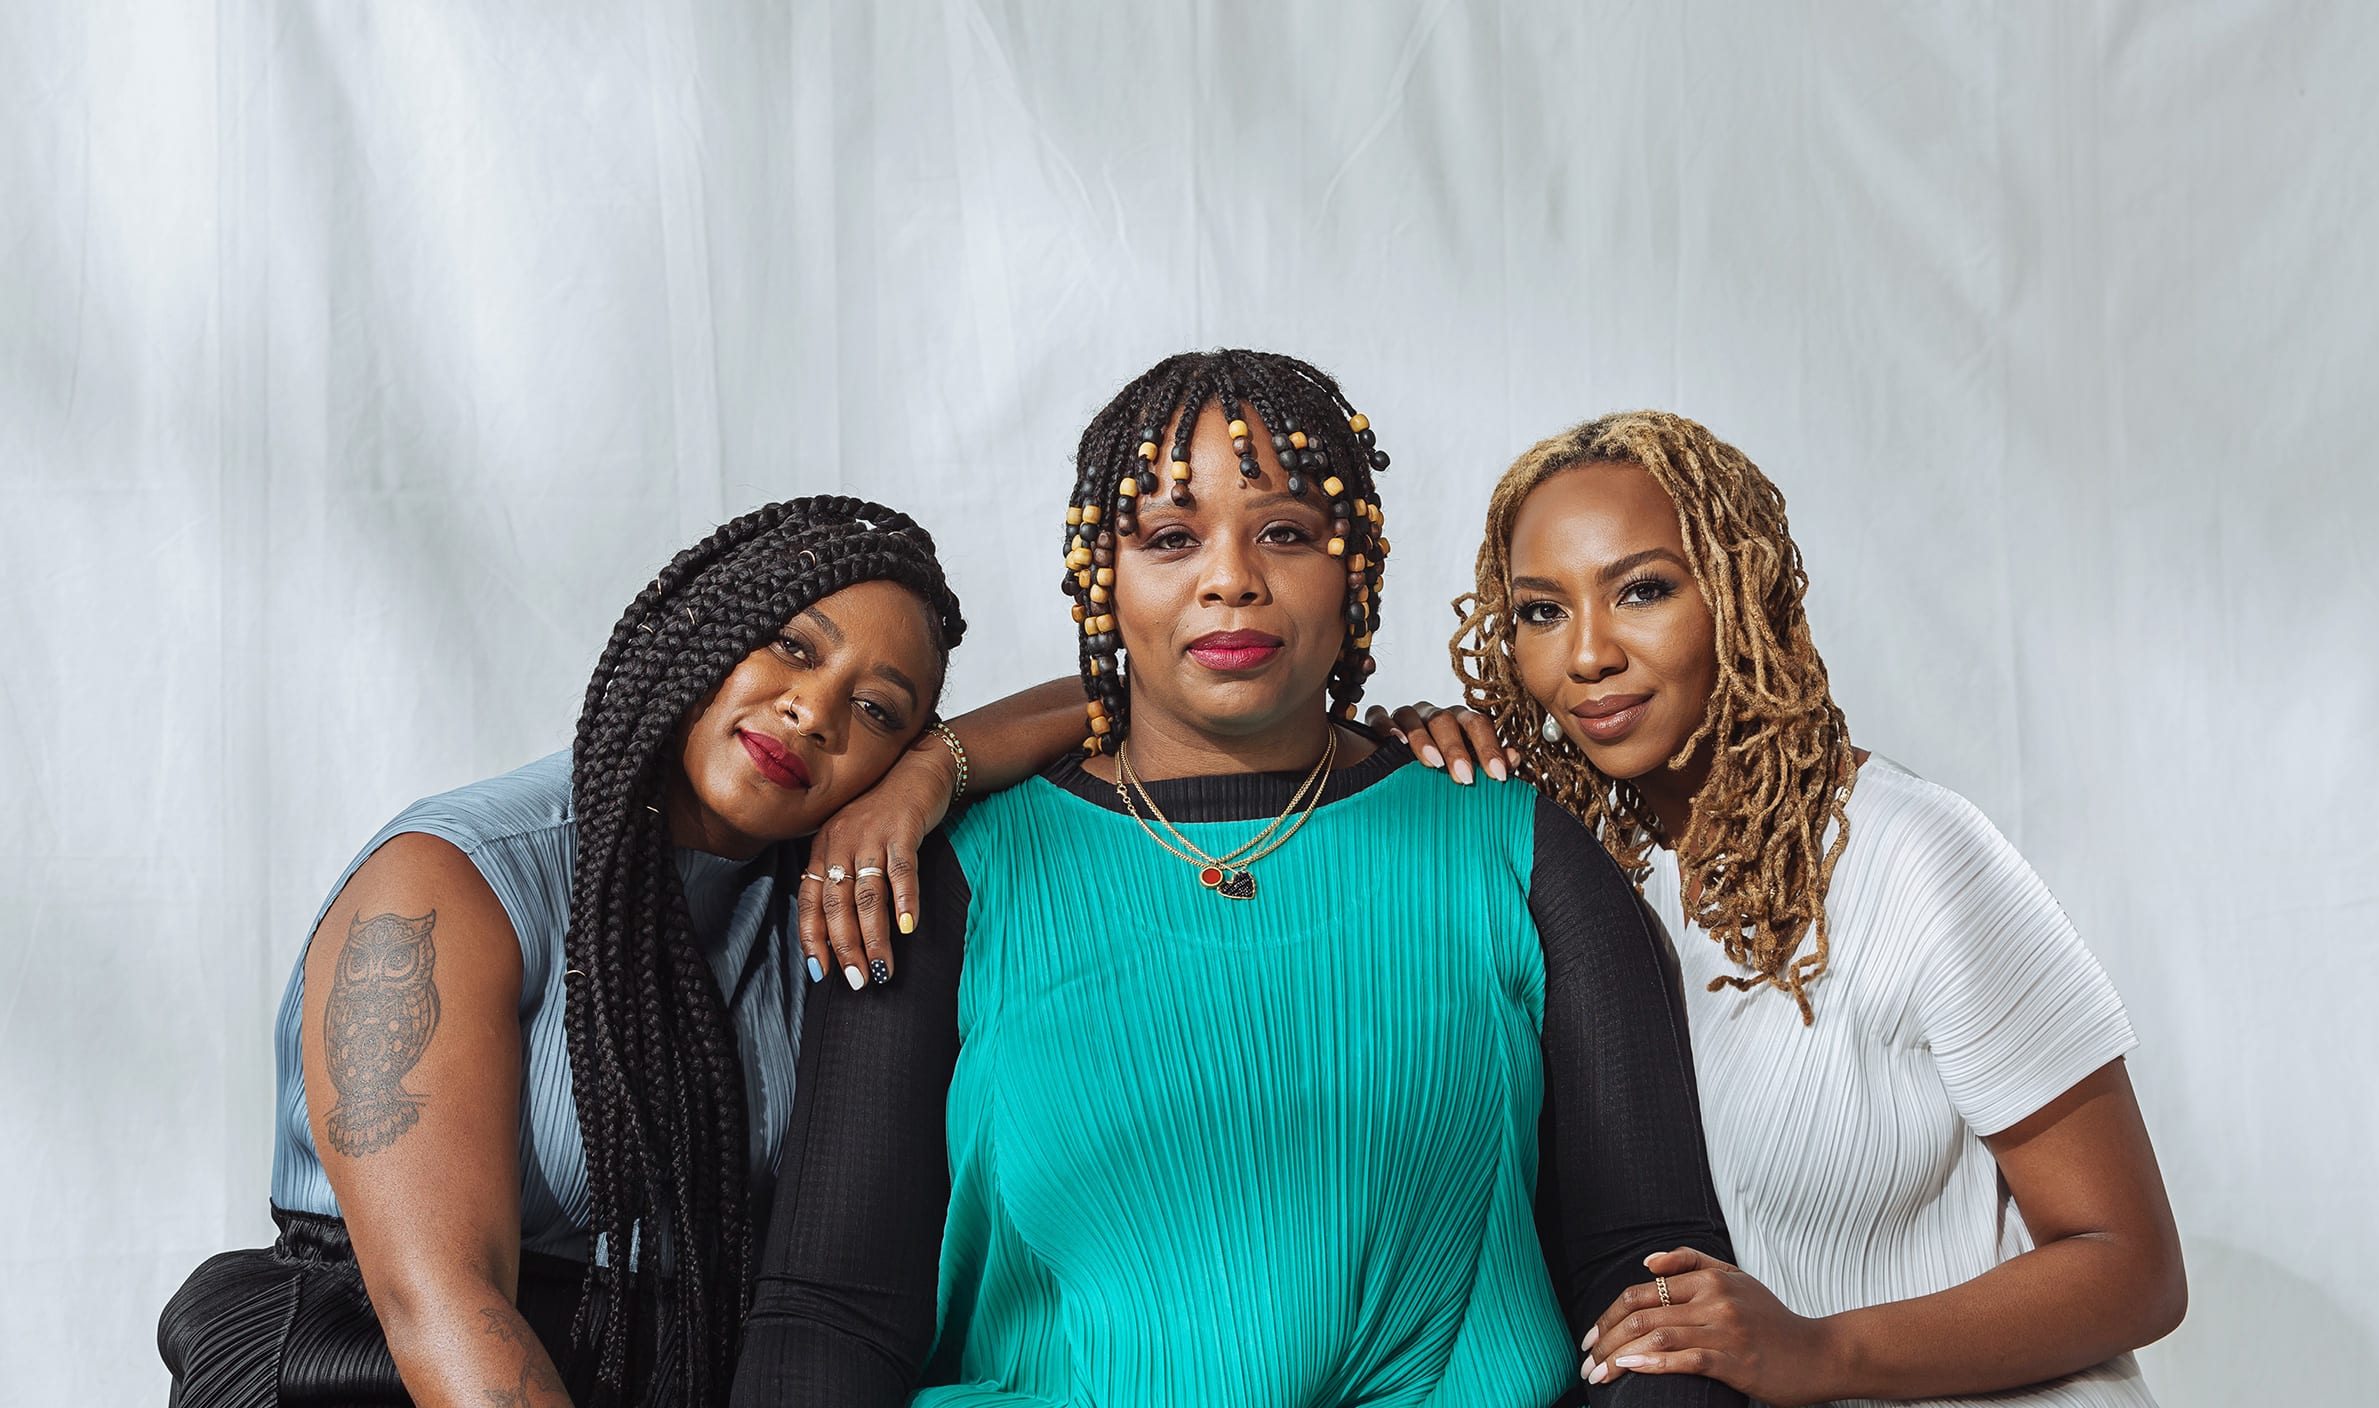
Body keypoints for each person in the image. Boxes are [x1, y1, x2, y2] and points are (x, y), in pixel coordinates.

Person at [730, 353, 1744, 1408]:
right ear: (1102, 582)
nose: (1231, 579)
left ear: (1357, 570)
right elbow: (832, 1313)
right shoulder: (946, 876)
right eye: (1171, 537)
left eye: (1287, 531)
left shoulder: (1522, 856)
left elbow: (1659, 1286)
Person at [159, 496, 1094, 1408]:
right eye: (793, 647)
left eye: (879, 712)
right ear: (700, 630)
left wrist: (934, 774)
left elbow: (1132, 694)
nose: (814, 714)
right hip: (379, 1371)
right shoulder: (456, 879)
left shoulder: (813, 906)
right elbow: (435, 1301)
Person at [1379, 412, 2185, 1407]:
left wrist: (1822, 1350)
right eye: (1542, 611)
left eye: (1643, 589)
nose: (1586, 655)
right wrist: (1397, 785)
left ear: (1739, 594)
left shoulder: (1913, 856)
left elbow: (2133, 1263)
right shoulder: (1573, 878)